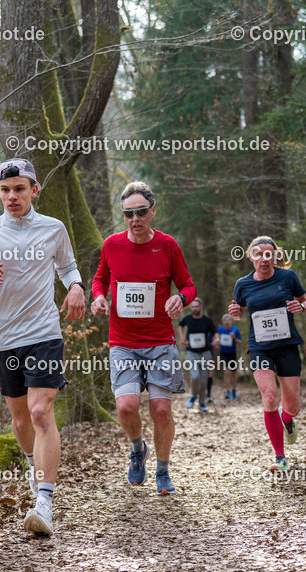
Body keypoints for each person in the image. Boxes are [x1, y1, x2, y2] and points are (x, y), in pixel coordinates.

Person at [0, 158, 86, 534]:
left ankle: (44, 503)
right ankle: (32, 461)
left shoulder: (53, 228)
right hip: (3, 339)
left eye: (19, 189)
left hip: (44, 334)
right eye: (5, 190)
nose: (12, 196)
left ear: (34, 190)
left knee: (41, 413)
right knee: (22, 420)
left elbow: (67, 266)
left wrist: (76, 287)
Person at [91, 181, 196, 494]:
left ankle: (163, 470)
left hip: (161, 341)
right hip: (123, 343)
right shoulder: (111, 245)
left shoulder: (167, 245)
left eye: (140, 212)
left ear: (153, 211)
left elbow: (188, 285)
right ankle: (138, 449)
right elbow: (100, 279)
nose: (134, 219)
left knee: (161, 410)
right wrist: (99, 297)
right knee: (126, 407)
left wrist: (181, 298)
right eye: (128, 214)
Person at [228, 236, 306, 472]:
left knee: (292, 407)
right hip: (260, 346)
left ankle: (287, 418)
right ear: (250, 257)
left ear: (274, 256)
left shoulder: (287, 277)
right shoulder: (242, 284)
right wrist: (235, 313)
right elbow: (238, 311)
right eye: (258, 254)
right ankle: (280, 456)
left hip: (287, 345)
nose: (263, 259)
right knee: (270, 396)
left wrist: (300, 307)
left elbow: (305, 301)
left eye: (268, 254)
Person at [178, 298, 217, 412]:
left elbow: (215, 332)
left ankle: (202, 403)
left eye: (196, 306)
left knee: (204, 380)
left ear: (201, 307)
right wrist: (182, 337)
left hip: (205, 353)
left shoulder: (207, 320)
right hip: (192, 353)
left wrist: (216, 340)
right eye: (193, 307)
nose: (194, 309)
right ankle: (193, 396)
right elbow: (180, 325)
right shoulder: (188, 319)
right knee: (195, 377)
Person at [217, 314, 243, 400]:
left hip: (232, 353)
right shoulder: (219, 330)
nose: (227, 322)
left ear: (231, 322)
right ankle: (227, 391)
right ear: (223, 322)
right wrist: (217, 340)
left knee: (233, 373)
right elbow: (215, 338)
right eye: (225, 320)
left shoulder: (235, 330)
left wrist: (234, 338)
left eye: (228, 320)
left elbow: (240, 343)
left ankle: (234, 391)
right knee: (226, 372)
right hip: (223, 353)